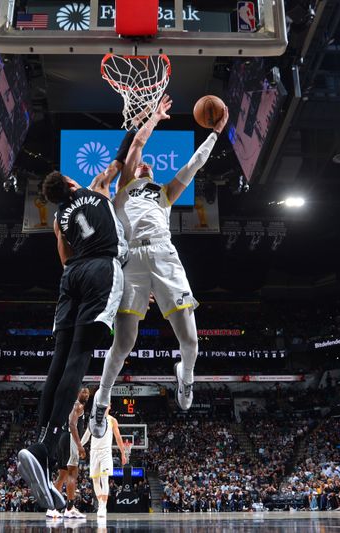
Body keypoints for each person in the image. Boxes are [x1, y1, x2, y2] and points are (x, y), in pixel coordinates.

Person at [90, 94, 229, 438]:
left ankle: (186, 377)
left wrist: (214, 134)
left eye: (148, 165)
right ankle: (102, 398)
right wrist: (155, 116)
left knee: (191, 340)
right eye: (140, 165)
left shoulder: (165, 193)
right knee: (123, 343)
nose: (144, 165)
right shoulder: (124, 186)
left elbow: (195, 164)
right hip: (131, 260)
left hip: (165, 256)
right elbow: (137, 142)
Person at [17, 128, 133, 511]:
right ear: (70, 182)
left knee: (59, 361)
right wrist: (134, 127)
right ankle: (46, 445)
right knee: (81, 358)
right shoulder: (97, 187)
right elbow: (119, 160)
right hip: (101, 269)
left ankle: (41, 449)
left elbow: (65, 259)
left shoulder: (58, 220)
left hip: (72, 278)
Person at [46, 387, 89, 520]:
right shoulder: (78, 405)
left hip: (62, 438)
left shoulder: (69, 404)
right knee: (72, 473)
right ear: (77, 393)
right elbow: (72, 424)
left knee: (62, 474)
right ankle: (69, 508)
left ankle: (51, 507)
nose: (86, 394)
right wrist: (80, 445)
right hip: (70, 439)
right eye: (83, 392)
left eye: (87, 393)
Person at [80, 405, 128, 519]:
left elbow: (118, 437)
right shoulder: (93, 419)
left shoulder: (112, 420)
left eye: (106, 405)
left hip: (106, 452)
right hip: (94, 452)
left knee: (104, 478)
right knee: (95, 480)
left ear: (109, 407)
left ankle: (103, 506)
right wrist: (79, 446)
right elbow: (87, 435)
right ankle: (101, 503)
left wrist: (123, 453)